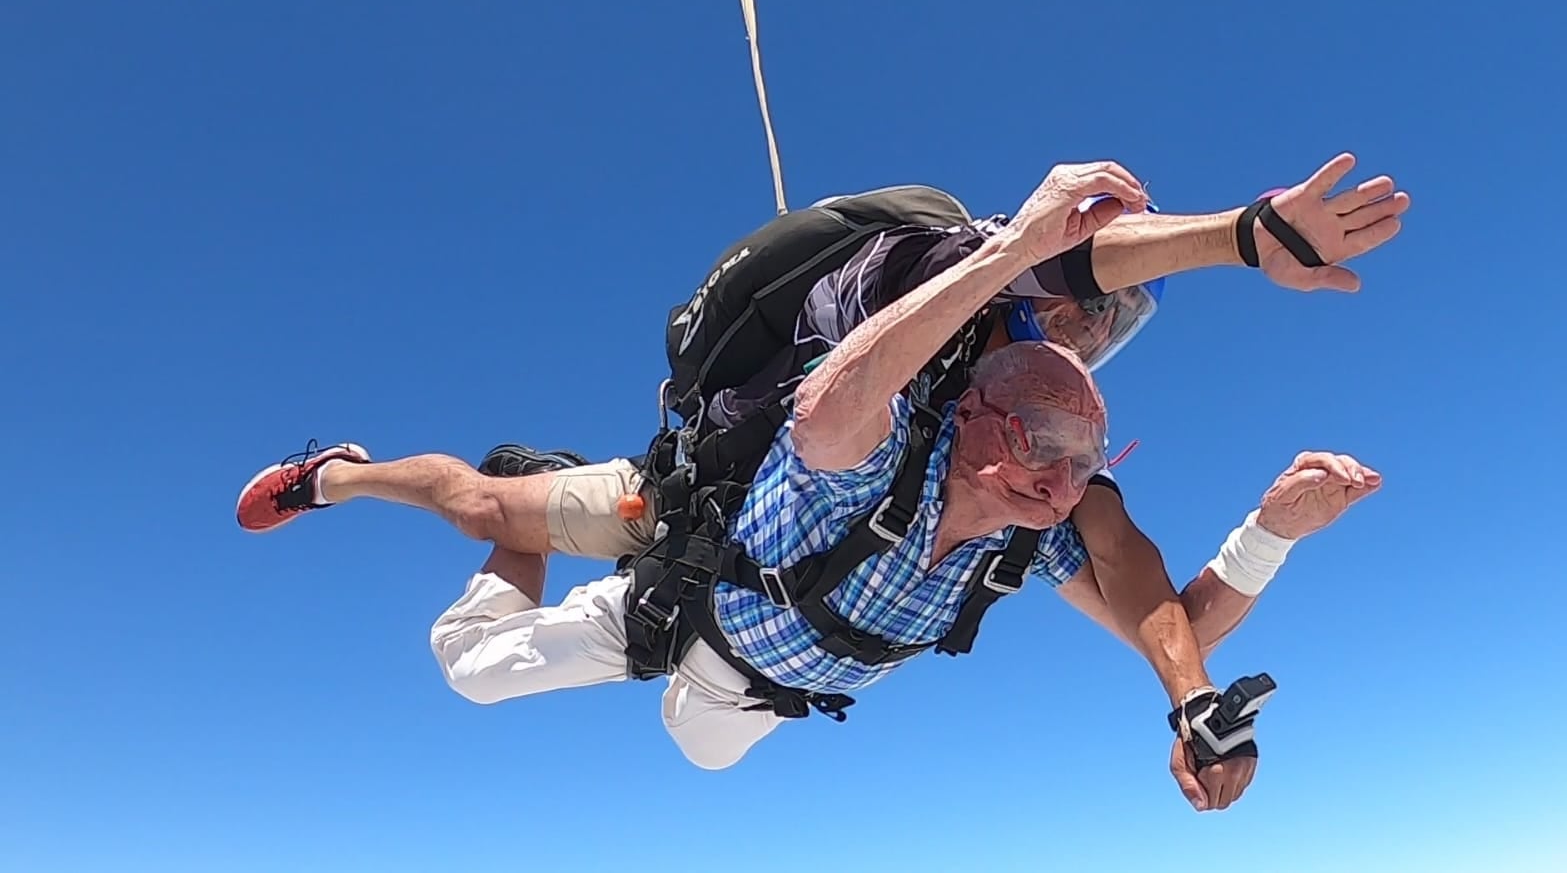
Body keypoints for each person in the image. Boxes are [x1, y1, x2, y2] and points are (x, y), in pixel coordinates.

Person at [235, 160, 1385, 811]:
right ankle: (345, 472)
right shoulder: (931, 282)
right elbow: (1052, 260)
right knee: (483, 523)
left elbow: (1152, 605)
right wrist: (1237, 235)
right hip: (690, 510)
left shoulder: (1043, 468)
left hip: (755, 637)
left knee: (703, 739)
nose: (1088, 337)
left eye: (1112, 332)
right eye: (1086, 311)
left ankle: (603, 577)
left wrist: (1218, 640)